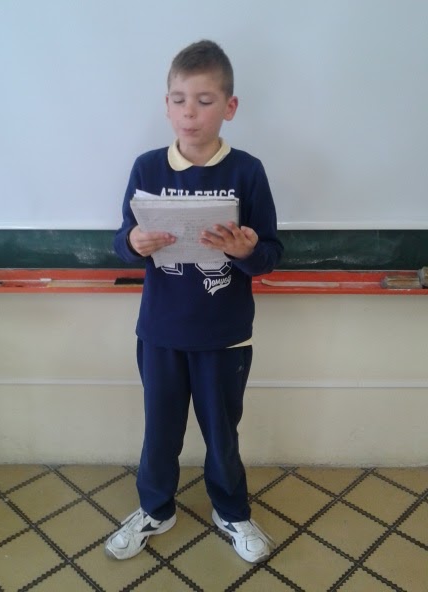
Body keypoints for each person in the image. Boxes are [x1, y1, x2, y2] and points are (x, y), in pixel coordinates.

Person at [105, 40, 283, 563]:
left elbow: (270, 253)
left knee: (222, 433)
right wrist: (133, 243)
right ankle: (155, 509)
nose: (190, 112)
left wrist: (246, 251)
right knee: (160, 432)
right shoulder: (147, 168)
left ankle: (231, 510)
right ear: (166, 106)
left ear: (229, 107)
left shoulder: (247, 171)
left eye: (205, 101)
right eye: (180, 100)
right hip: (160, 331)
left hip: (224, 334)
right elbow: (122, 240)